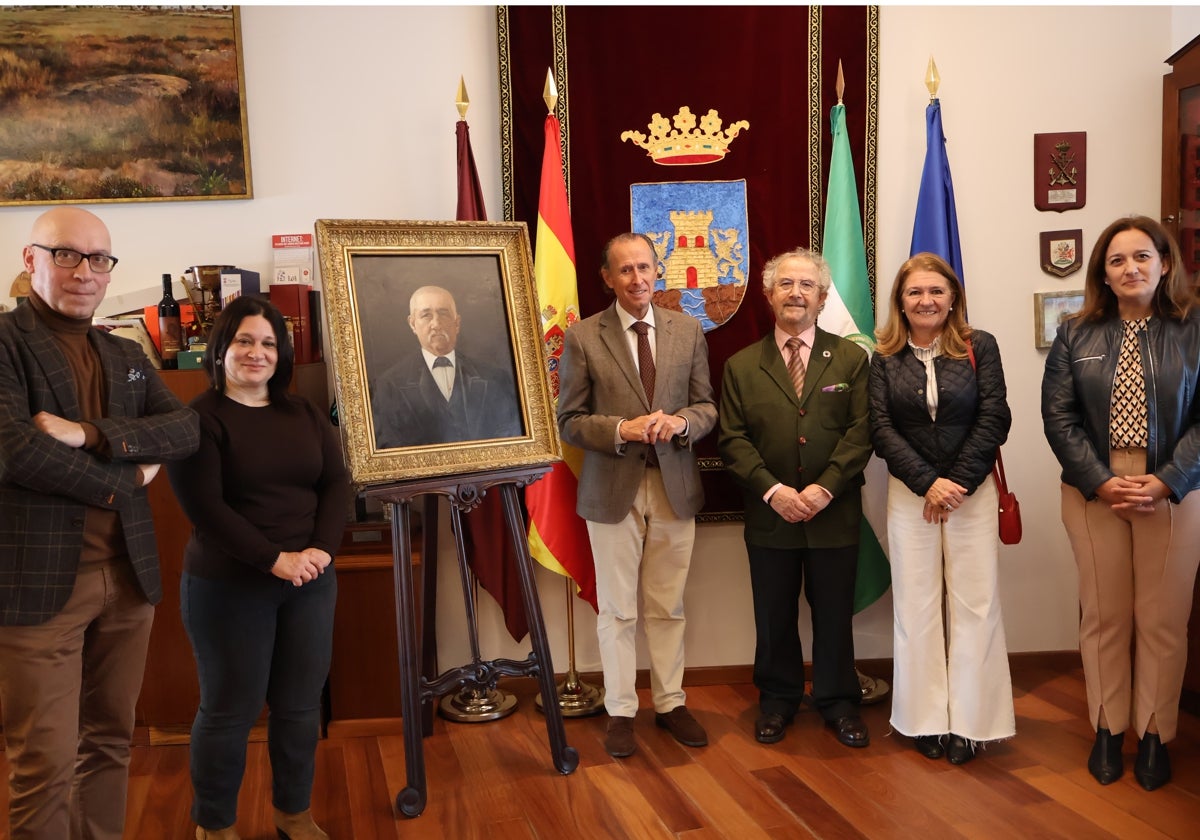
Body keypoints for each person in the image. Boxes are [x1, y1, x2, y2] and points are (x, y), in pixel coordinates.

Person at [0, 206, 200, 839]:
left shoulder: (127, 354)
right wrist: (128, 478)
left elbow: (185, 426)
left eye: (99, 259)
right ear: (31, 259)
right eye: (66, 254)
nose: (85, 271)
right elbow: (16, 450)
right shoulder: (5, 344)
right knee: (43, 765)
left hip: (127, 580)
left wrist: (89, 434)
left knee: (111, 742)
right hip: (39, 592)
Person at [167, 296, 352, 839]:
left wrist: (319, 550)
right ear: (221, 347)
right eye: (245, 341)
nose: (257, 353)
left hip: (309, 581)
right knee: (229, 710)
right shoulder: (197, 419)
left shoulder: (303, 413)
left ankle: (293, 814)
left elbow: (336, 482)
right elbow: (206, 509)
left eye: (268, 343)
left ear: (282, 353)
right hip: (229, 587)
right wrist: (276, 560)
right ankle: (215, 825)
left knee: (298, 709)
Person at [1041, 215, 1200, 791]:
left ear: (1164, 264)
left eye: (1141, 257)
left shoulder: (1195, 328)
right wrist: (1101, 480)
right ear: (1103, 275)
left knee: (1161, 620)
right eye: (1116, 260)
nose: (1129, 268)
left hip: (1173, 489)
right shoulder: (1074, 332)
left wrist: (1167, 479)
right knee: (1105, 616)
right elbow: (1057, 417)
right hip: (1094, 489)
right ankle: (1109, 727)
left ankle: (1155, 732)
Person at [557, 232, 717, 758]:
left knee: (667, 606)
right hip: (612, 489)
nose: (637, 279)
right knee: (618, 610)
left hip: (675, 487)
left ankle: (670, 703)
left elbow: (707, 407)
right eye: (625, 271)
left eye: (644, 268)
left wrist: (681, 422)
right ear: (607, 278)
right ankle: (621, 711)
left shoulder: (687, 329)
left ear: (658, 271)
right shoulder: (583, 337)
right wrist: (623, 428)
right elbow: (569, 422)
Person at [718, 248, 873, 749]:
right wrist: (774, 491)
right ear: (768, 296)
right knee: (774, 614)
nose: (796, 294)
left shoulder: (852, 358)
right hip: (770, 517)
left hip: (835, 514)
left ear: (823, 298)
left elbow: (861, 432)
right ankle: (778, 700)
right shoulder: (742, 366)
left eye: (806, 286)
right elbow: (733, 440)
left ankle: (838, 701)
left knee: (833, 613)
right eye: (785, 284)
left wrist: (826, 487)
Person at [868, 252, 1014, 765]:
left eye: (935, 291)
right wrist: (928, 483)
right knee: (916, 607)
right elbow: (881, 428)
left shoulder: (981, 347)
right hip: (912, 496)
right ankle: (924, 720)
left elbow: (995, 415)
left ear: (953, 297)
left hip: (970, 494)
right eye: (915, 293)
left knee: (976, 605)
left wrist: (956, 483)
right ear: (901, 303)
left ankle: (972, 722)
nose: (926, 300)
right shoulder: (883, 357)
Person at [371, 284, 523, 448]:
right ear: (412, 324)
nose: (436, 324)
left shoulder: (495, 378)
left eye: (443, 313)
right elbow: (389, 448)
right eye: (426, 315)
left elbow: (511, 436)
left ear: (457, 323)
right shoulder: (389, 385)